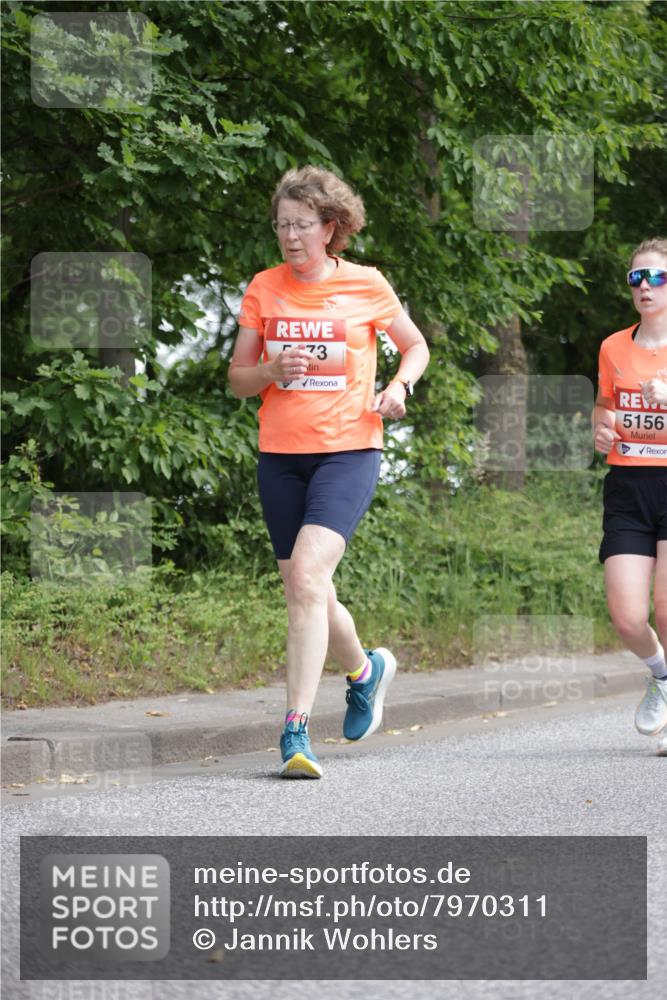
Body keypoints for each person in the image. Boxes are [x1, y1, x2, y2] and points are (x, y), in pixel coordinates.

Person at [228, 166, 430, 778]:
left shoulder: (367, 285)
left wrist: (401, 385)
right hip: (281, 456)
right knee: (305, 587)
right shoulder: (264, 288)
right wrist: (269, 372)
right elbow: (238, 380)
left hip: (349, 449)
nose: (290, 236)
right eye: (281, 225)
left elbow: (415, 345)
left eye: (301, 225)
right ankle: (365, 670)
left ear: (330, 227)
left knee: (310, 576)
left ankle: (294, 732)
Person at [593, 237, 667, 756]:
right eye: (636, 278)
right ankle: (661, 677)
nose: (645, 287)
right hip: (626, 484)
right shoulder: (613, 347)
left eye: (656, 277)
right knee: (626, 615)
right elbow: (604, 407)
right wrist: (600, 428)